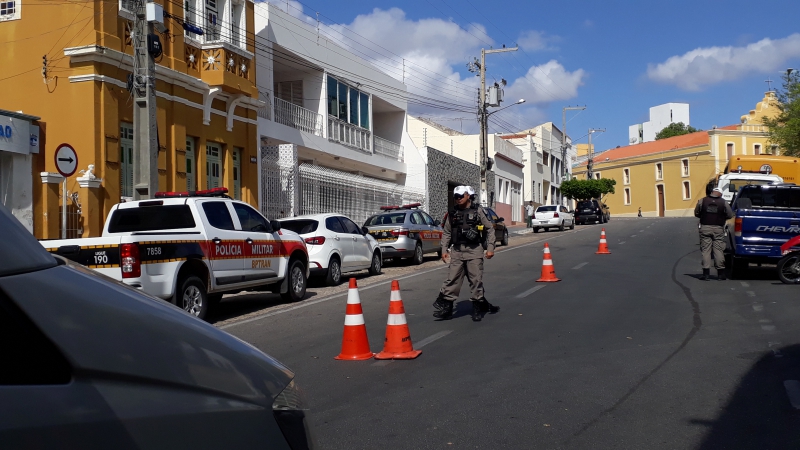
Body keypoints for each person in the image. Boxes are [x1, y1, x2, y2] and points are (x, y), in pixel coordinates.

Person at [433, 185, 499, 322]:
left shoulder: (478, 211)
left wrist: (491, 247)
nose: (458, 199)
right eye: (456, 197)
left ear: (467, 195)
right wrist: (444, 250)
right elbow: (446, 233)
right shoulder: (452, 213)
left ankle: (477, 307)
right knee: (452, 280)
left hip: (474, 250)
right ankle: (447, 309)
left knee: (476, 280)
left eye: (461, 196)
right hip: (457, 251)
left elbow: (490, 229)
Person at [694, 187, 734, 280]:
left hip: (705, 227)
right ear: (720, 194)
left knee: (706, 250)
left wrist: (703, 215)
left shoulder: (702, 201)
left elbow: (697, 213)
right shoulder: (723, 202)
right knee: (718, 250)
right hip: (718, 228)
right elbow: (730, 215)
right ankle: (720, 274)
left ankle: (706, 273)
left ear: (712, 192)